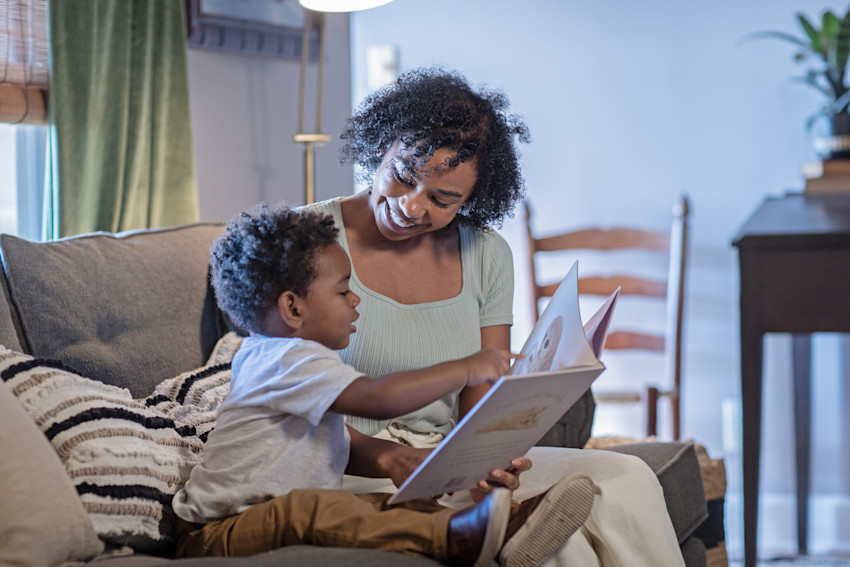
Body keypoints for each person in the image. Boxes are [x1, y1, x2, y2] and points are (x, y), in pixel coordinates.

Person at [303, 66, 687, 567]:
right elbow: (290, 396)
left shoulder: (485, 253)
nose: (412, 206)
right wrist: (388, 458)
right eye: (403, 176)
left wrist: (487, 458)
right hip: (348, 463)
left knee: (628, 477)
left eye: (443, 200)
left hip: (446, 460)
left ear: (471, 200)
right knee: (562, 545)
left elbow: (482, 388)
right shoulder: (303, 239)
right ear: (384, 147)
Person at [172, 204, 599, 567]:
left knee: (389, 507)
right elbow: (379, 399)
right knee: (319, 510)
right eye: (343, 292)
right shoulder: (284, 358)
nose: (355, 300)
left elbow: (338, 442)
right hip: (216, 530)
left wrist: (403, 462)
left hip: (258, 515)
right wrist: (467, 368)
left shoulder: (290, 362)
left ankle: (505, 526)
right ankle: (457, 539)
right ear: (293, 307)